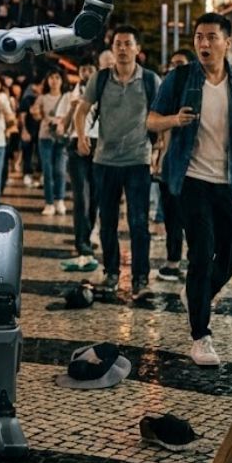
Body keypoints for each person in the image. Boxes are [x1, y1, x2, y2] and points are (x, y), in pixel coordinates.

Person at [148, 13, 232, 367]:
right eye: (199, 37)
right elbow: (151, 119)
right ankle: (201, 336)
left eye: (212, 37)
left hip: (231, 182)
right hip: (191, 180)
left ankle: (198, 295)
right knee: (201, 251)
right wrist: (174, 120)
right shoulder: (180, 77)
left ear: (227, 43)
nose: (204, 44)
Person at [74, 26, 160, 297]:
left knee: (138, 222)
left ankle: (141, 278)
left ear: (137, 49)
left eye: (127, 44)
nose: (122, 49)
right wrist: (81, 136)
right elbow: (82, 110)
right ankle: (111, 272)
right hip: (105, 160)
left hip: (138, 160)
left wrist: (160, 151)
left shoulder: (150, 80)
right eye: (118, 44)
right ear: (112, 50)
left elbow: (160, 116)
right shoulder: (99, 79)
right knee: (107, 220)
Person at [156, 48, 196, 280]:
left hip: (194, 165)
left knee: (191, 217)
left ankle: (195, 260)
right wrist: (161, 157)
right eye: (172, 63)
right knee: (171, 213)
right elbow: (161, 128)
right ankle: (173, 260)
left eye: (179, 63)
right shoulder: (169, 91)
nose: (174, 68)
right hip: (171, 162)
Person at [65, 60, 99, 258]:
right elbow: (63, 123)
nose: (86, 72)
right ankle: (81, 241)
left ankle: (88, 234)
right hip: (76, 143)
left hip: (98, 144)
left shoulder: (102, 91)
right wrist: (72, 108)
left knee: (95, 196)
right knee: (81, 196)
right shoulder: (72, 93)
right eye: (84, 68)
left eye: (90, 69)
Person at [32, 67, 71, 217]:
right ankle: (49, 202)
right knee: (47, 171)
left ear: (62, 80)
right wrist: (35, 112)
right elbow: (36, 115)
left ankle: (59, 200)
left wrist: (61, 123)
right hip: (45, 137)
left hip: (61, 138)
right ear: (47, 80)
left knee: (60, 171)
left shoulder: (67, 98)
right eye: (51, 78)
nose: (54, 81)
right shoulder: (42, 98)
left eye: (57, 78)